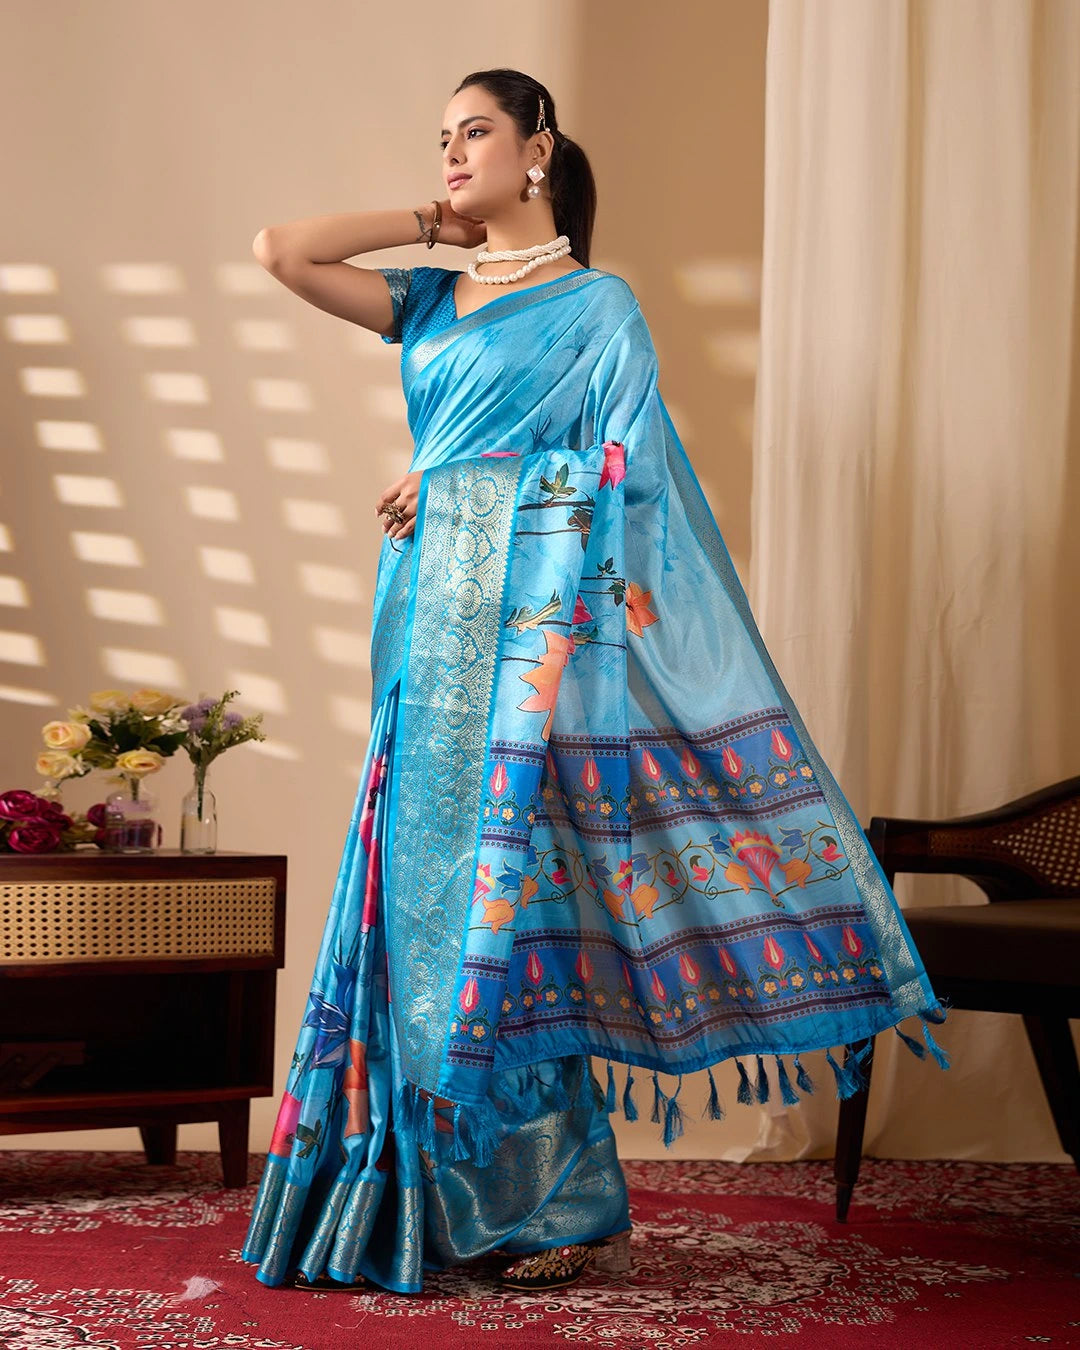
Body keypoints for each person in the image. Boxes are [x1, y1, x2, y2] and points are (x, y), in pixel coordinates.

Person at [241, 68, 946, 1297]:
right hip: (424, 622)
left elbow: (626, 481)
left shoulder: (599, 309)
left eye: (476, 133)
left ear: (541, 147)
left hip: (529, 646)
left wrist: (460, 486)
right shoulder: (433, 297)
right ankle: (413, 1193)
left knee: (505, 914)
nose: (454, 151)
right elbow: (281, 251)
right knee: (413, 904)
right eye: (443, 137)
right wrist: (435, 221)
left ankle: (552, 1205)